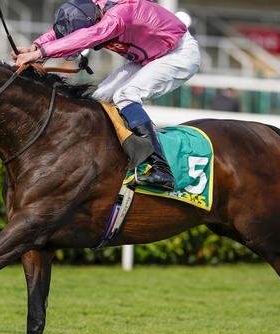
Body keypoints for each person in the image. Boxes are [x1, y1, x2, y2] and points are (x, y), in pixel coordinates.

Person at [12, 0, 201, 191]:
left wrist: (41, 54)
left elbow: (88, 35)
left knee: (126, 96)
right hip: (149, 56)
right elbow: (65, 27)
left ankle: (161, 169)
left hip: (178, 53)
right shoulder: (91, 11)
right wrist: (36, 47)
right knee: (99, 100)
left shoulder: (117, 17)